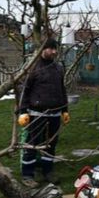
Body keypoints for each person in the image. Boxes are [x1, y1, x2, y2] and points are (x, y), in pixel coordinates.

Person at [17, 38, 70, 187]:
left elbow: (62, 90)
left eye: (55, 48)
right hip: (36, 114)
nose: (54, 51)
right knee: (31, 145)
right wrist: (23, 111)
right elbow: (24, 91)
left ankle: (48, 171)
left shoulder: (58, 68)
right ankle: (27, 174)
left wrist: (65, 110)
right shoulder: (33, 68)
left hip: (54, 114)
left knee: (51, 144)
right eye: (51, 48)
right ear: (42, 49)